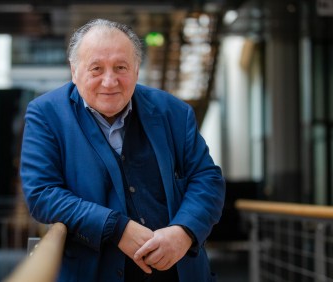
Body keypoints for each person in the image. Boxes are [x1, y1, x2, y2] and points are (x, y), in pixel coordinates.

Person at [20, 18, 225, 282]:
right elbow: (42, 194)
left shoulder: (174, 112)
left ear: (137, 70)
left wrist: (183, 232)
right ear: (74, 71)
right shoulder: (46, 114)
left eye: (121, 67)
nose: (109, 81)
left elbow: (207, 179)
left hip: (178, 272)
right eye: (96, 68)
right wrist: (116, 228)